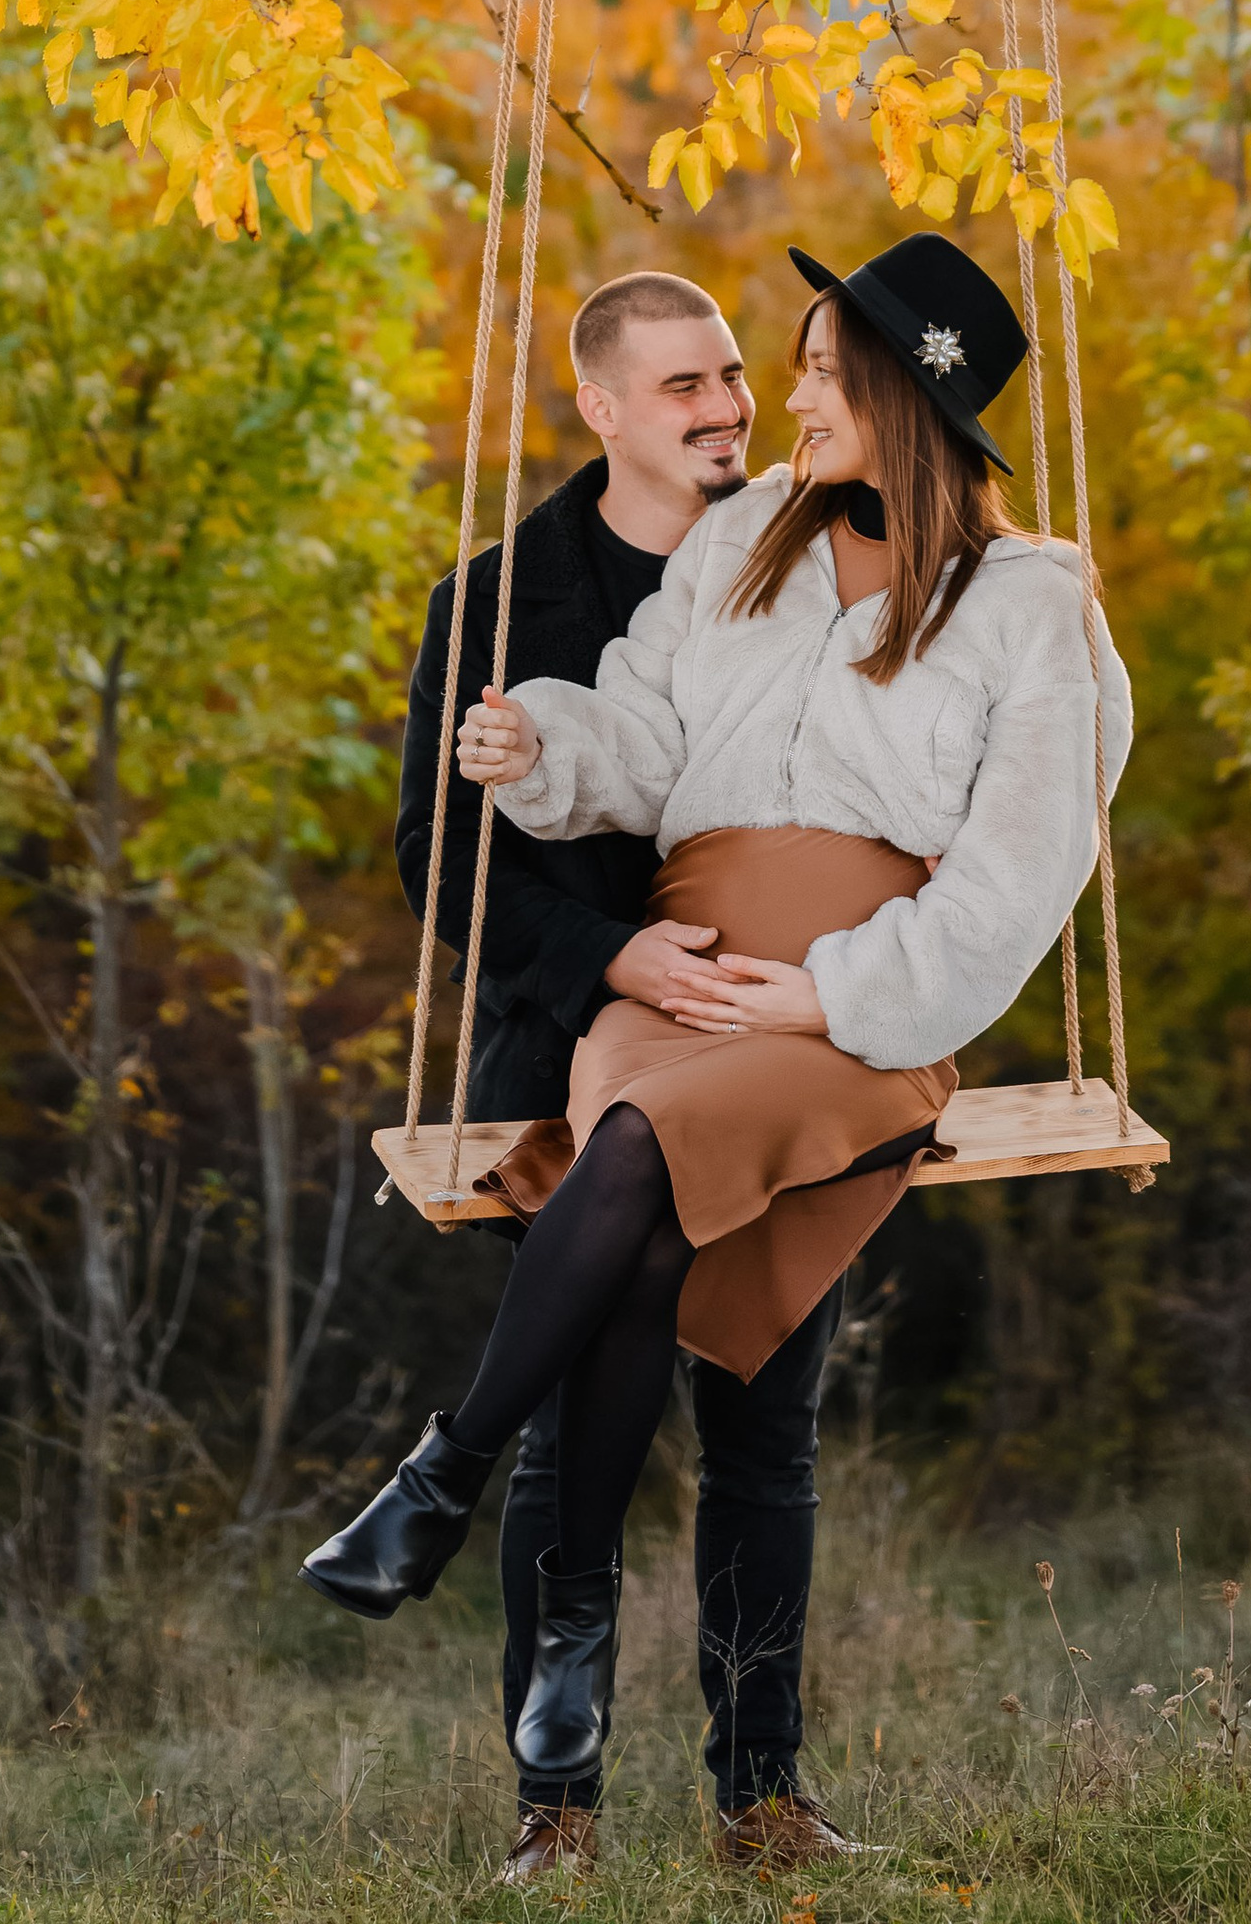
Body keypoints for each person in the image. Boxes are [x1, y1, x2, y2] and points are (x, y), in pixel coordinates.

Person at [310, 232, 1131, 1857]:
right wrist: (548, 746)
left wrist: (831, 995)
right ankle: (586, 1775)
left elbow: (1020, 871)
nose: (783, 402)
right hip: (678, 984)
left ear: (903, 396)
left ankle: (443, 1477)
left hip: (857, 1011)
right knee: (631, 1193)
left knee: (637, 1179)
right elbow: (647, 729)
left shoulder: (1032, 604)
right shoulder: (747, 539)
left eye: (815, 372)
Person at [389, 268, 862, 1882]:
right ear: (600, 408)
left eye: (734, 375)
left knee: (767, 1435)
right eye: (685, 386)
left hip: (786, 1047)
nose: (727, 408)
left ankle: (762, 1800)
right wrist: (612, 959)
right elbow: (436, 858)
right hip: (576, 1069)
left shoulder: (818, 548)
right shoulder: (500, 600)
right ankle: (559, 1817)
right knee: (570, 1446)